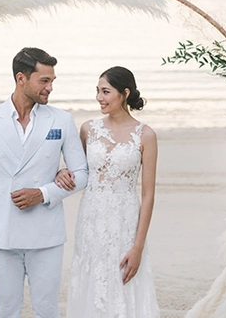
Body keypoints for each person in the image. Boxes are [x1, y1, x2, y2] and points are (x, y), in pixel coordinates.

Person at [0, 47, 89, 318]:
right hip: (1, 235)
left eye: (52, 81)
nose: (50, 88)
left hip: (46, 235)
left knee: (47, 310)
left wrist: (44, 192)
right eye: (44, 81)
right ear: (21, 78)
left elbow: (81, 174)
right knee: (6, 310)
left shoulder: (61, 120)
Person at [56, 66, 160, 318]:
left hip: (124, 221)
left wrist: (138, 246)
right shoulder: (88, 129)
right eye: (98, 91)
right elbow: (78, 172)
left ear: (124, 93)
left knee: (122, 281)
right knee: (90, 278)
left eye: (106, 91)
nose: (99, 98)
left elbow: (148, 196)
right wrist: (61, 172)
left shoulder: (146, 135)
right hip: (90, 219)